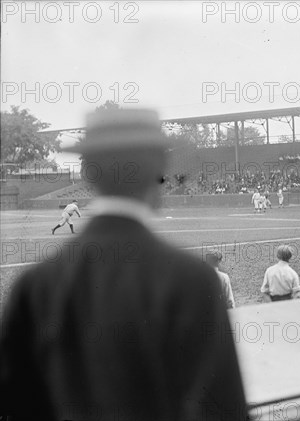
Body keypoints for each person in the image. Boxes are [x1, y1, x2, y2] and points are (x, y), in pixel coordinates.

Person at [0, 109, 247, 420]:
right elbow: (226, 407)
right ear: (158, 171)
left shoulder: (35, 284)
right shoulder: (194, 279)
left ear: (88, 174)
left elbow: (15, 404)